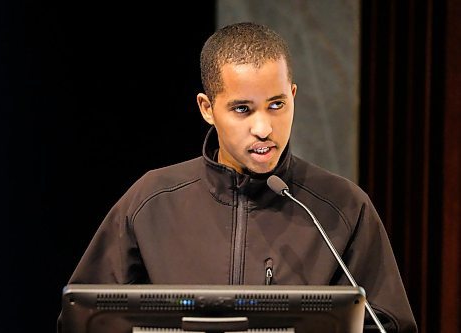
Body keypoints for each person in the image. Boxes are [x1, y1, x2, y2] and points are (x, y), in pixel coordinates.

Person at [57, 22, 417, 332]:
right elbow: (83, 319)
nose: (264, 128)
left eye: (277, 105)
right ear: (207, 108)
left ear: (293, 96)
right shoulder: (152, 201)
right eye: (242, 109)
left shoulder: (342, 207)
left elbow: (387, 326)